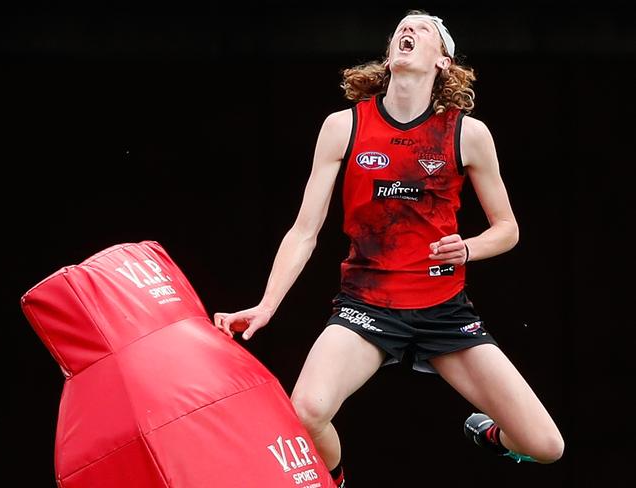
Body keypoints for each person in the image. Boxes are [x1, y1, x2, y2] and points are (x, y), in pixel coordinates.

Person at [213, 9, 564, 487]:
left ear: (443, 60)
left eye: (422, 29)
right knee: (306, 412)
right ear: (390, 52)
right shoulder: (343, 127)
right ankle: (334, 480)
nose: (408, 30)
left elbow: (507, 229)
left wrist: (468, 248)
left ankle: (487, 433)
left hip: (444, 309)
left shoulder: (468, 133)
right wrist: (267, 305)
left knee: (545, 447)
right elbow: (304, 231)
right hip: (366, 306)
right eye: (402, 26)